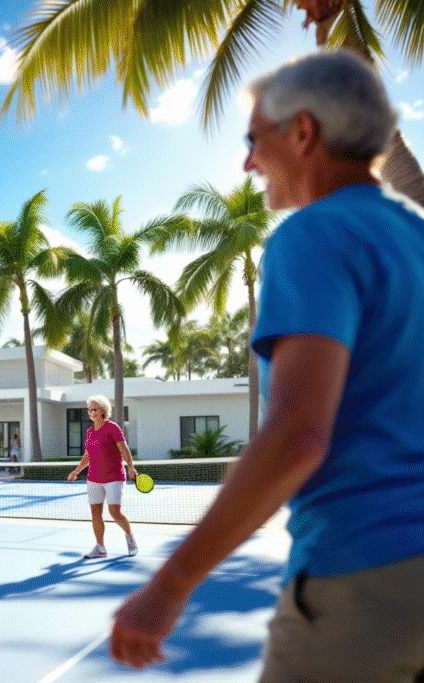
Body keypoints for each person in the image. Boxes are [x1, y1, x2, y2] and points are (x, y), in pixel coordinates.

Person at [110, 50, 424, 682]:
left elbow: (297, 436)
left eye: (253, 139)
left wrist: (172, 584)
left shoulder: (312, 235)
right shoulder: (415, 235)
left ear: (302, 134)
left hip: (363, 578)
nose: (247, 162)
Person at [66, 395, 138, 558]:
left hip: (114, 477)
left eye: (94, 409)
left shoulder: (113, 428)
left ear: (103, 411)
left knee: (114, 512)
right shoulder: (90, 432)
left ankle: (130, 538)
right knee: (95, 513)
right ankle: (100, 547)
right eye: (89, 410)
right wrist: (76, 471)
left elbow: (124, 450)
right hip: (94, 478)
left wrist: (131, 467)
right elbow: (88, 456)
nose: (91, 412)